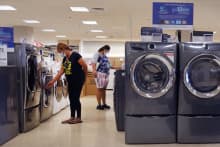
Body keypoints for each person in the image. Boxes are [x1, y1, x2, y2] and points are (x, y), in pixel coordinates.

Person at [47, 43, 88, 124]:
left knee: (76, 98)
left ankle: (78, 118)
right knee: (71, 98)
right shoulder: (65, 58)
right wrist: (53, 81)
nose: (61, 53)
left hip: (78, 80)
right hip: (70, 81)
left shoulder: (76, 55)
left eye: (61, 51)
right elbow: (61, 72)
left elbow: (85, 66)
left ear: (64, 49)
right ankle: (72, 117)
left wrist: (85, 78)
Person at [92, 45, 112, 110]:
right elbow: (93, 63)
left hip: (106, 74)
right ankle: (99, 105)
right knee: (99, 89)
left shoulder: (105, 56)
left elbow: (108, 65)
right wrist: (94, 70)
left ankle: (104, 104)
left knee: (103, 90)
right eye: (107, 50)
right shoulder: (97, 54)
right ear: (104, 49)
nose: (107, 52)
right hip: (100, 73)